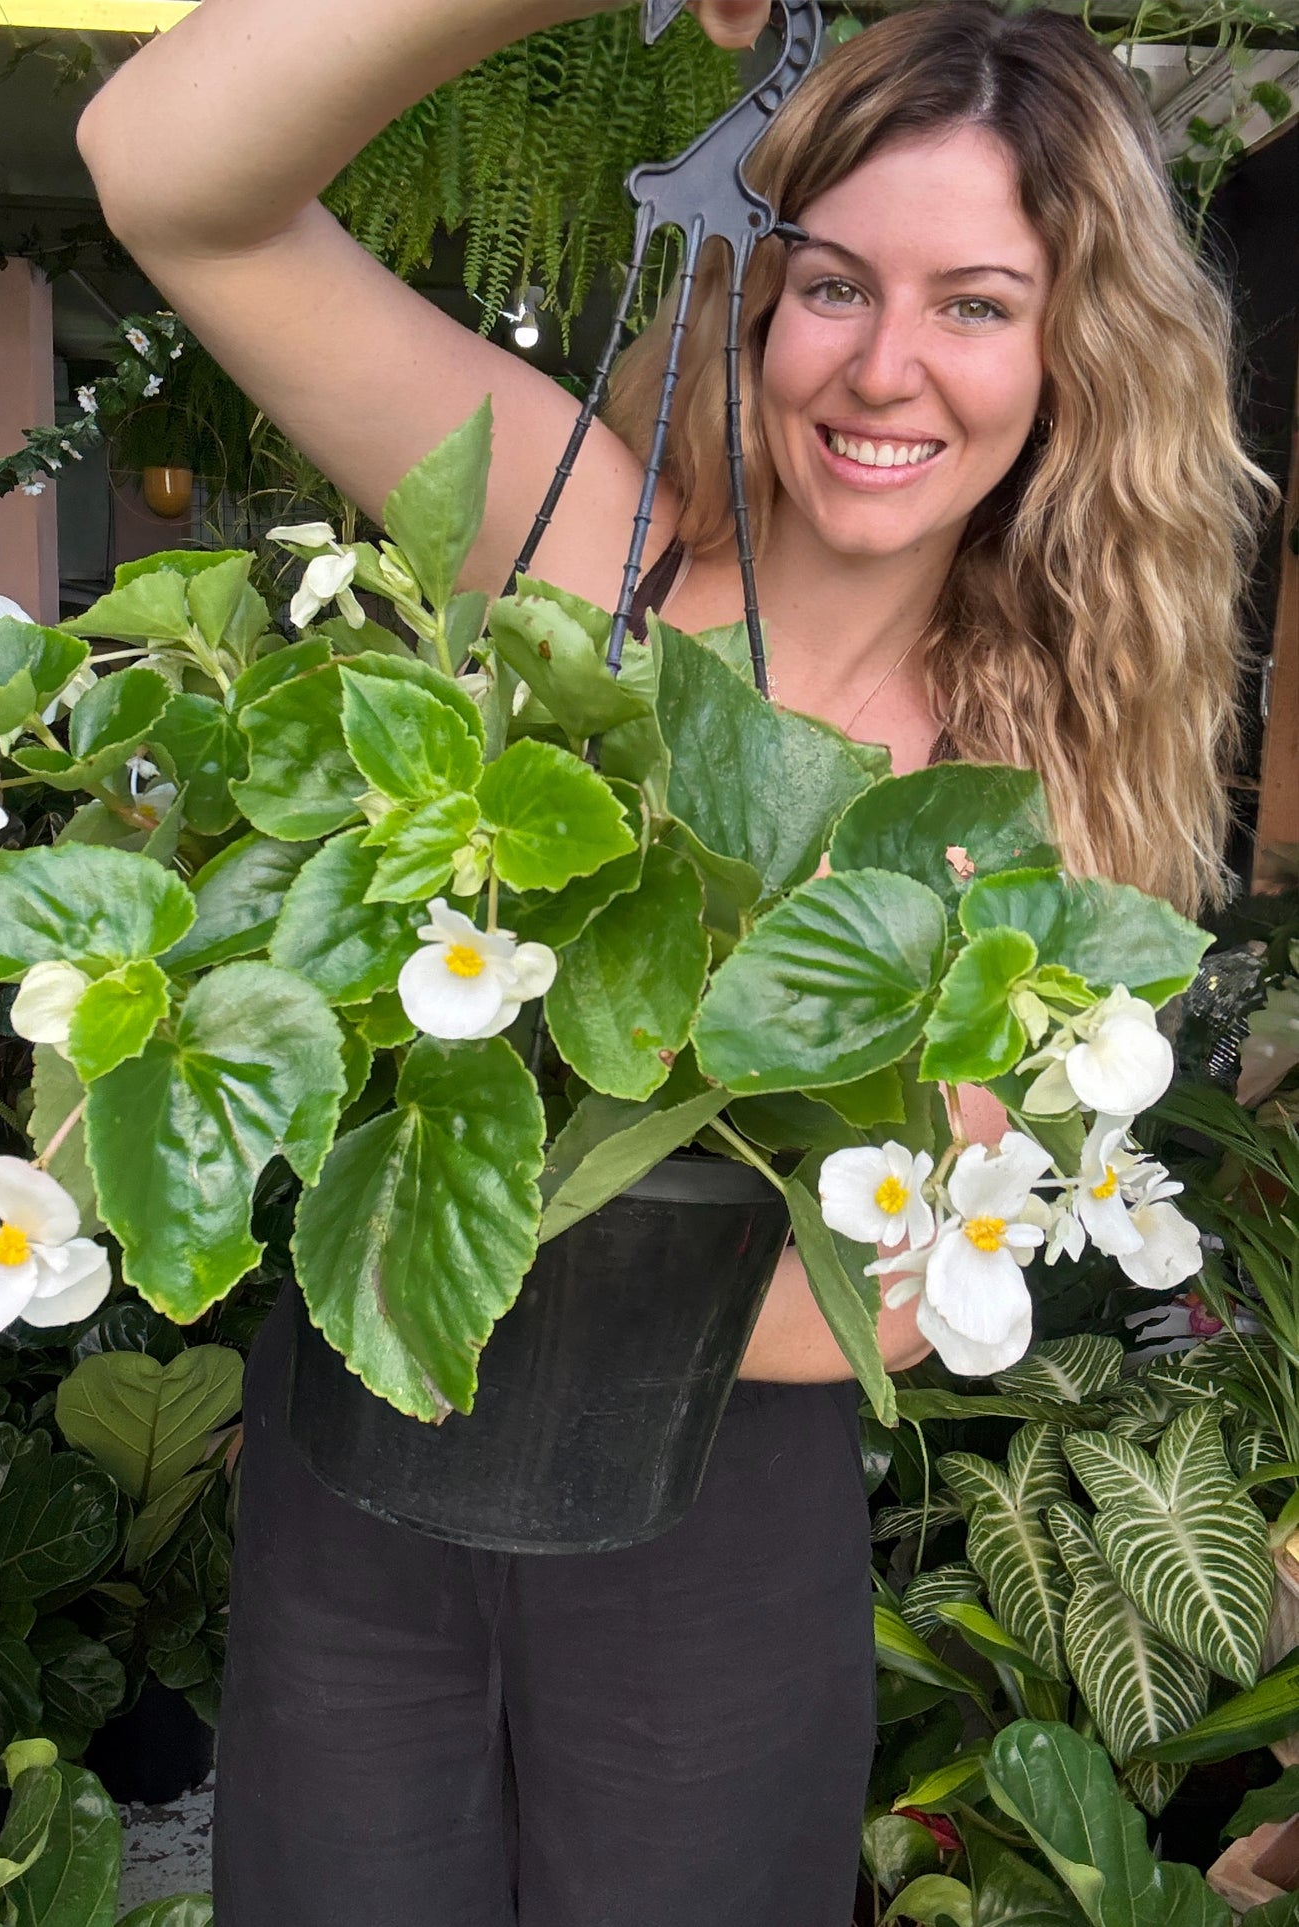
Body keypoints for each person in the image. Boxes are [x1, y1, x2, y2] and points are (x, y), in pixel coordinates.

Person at [77, 2, 1268, 1920]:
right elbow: (173, 181)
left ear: (1074, 353)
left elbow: (883, 1302)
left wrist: (442, 1207)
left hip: (700, 1520)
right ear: (748, 294)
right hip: (362, 1493)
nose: (887, 366)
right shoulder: (572, 562)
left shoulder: (1052, 776)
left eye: (975, 301)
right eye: (832, 286)